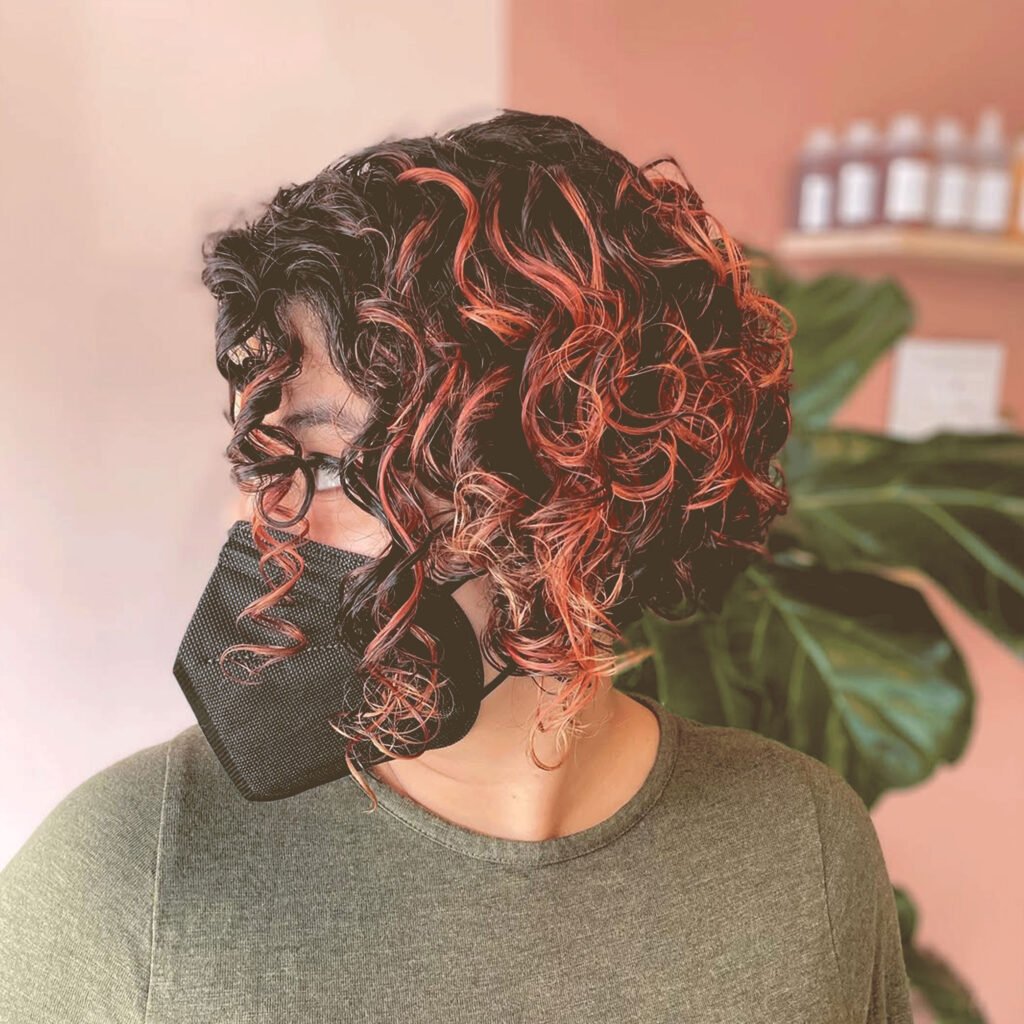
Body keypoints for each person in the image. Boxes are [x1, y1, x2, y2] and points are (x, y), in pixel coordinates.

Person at [0, 109, 914, 1023]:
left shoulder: (801, 848)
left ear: (569, 488)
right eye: (261, 468)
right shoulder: (128, 872)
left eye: (326, 468)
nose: (262, 529)